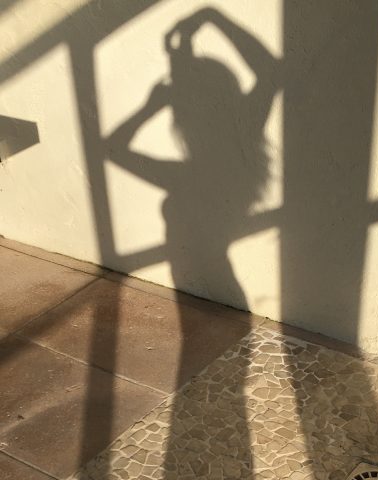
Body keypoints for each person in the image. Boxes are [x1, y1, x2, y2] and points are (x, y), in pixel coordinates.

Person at [107, 7, 280, 309]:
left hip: (201, 295)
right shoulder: (241, 138)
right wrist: (208, 20)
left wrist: (150, 107)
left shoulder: (188, 175)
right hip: (210, 295)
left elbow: (113, 149)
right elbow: (270, 72)